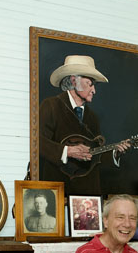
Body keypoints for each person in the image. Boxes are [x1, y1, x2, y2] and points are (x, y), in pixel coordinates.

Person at [39, 55, 130, 195]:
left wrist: (114, 153)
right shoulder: (50, 106)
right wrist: (67, 151)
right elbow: (37, 143)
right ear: (74, 81)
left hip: (87, 196)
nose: (94, 90)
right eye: (90, 83)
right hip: (58, 193)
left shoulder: (92, 118)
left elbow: (94, 156)